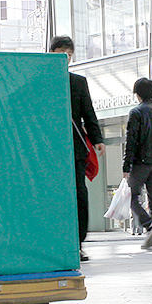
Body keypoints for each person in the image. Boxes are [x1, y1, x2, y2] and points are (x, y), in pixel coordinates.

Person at [49, 36, 104, 261]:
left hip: (74, 148)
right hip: (48, 149)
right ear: (50, 52)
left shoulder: (78, 82)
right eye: (61, 52)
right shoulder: (40, 81)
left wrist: (97, 138)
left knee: (79, 195)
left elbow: (88, 112)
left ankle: (78, 243)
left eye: (69, 54)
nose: (65, 57)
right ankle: (53, 241)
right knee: (52, 195)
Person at [122, 78, 152, 251]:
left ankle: (149, 225)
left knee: (132, 196)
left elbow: (131, 141)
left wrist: (126, 166)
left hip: (139, 163)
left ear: (137, 94)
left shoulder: (135, 113)